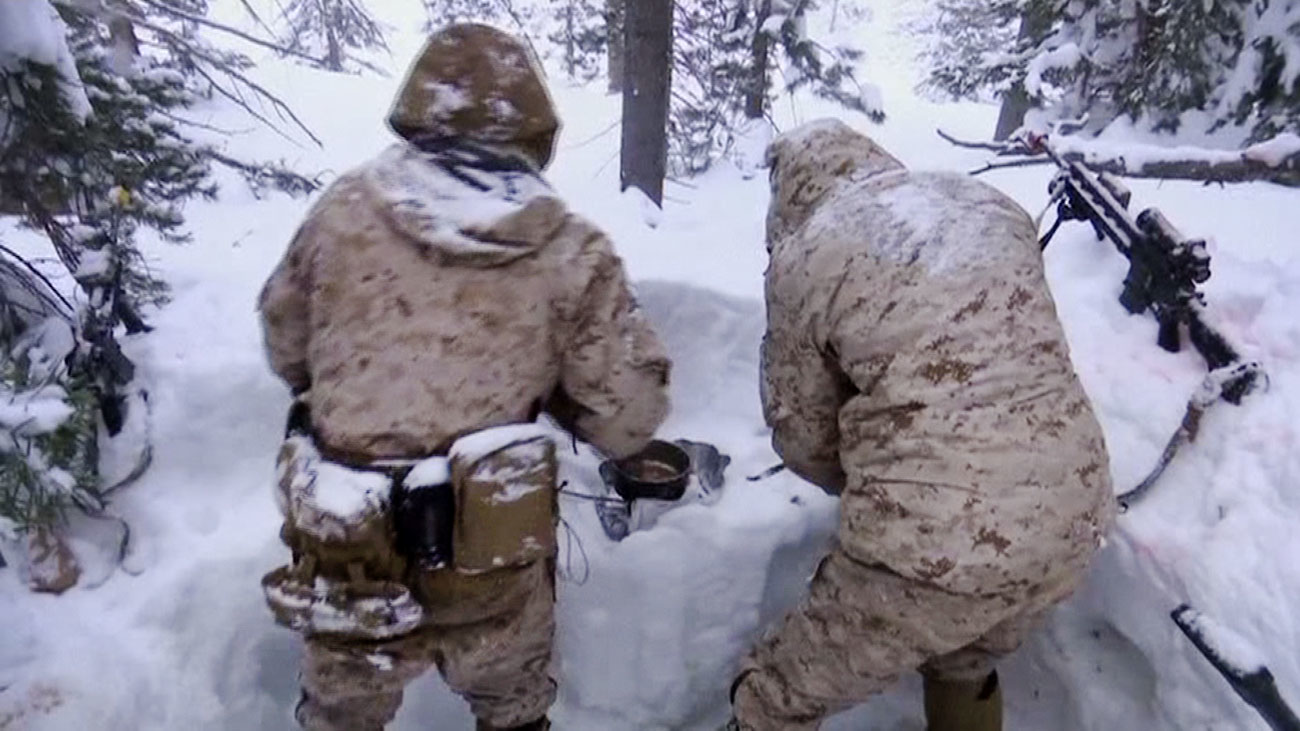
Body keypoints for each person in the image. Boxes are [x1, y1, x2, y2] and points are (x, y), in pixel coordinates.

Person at [257, 23, 670, 731]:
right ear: (537, 132)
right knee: (511, 705)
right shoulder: (571, 250)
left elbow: (284, 340)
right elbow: (629, 415)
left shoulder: (342, 213)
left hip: (346, 547)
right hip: (485, 557)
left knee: (341, 713)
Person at [726, 119, 1115, 731]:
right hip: (1079, 517)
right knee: (964, 654)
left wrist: (871, 484)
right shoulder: (990, 207)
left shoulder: (806, 256)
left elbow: (803, 435)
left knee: (780, 691)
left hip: (935, 542)